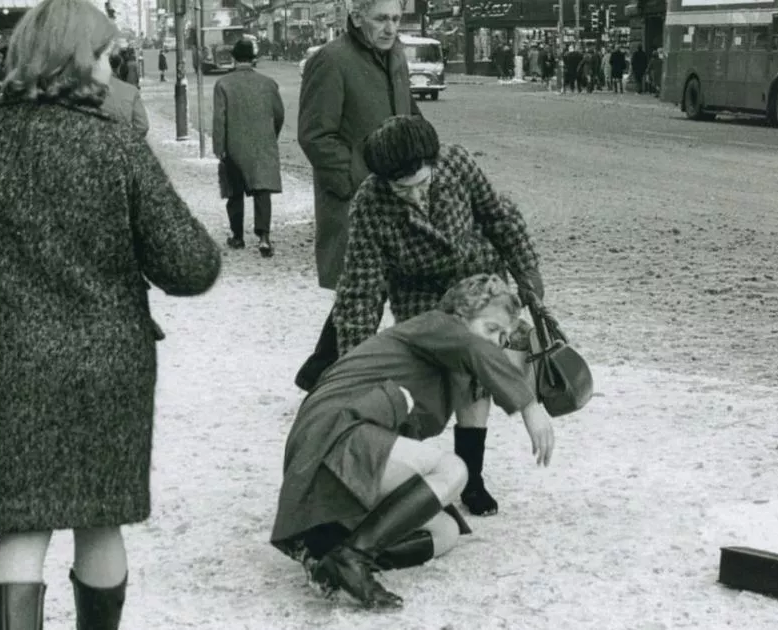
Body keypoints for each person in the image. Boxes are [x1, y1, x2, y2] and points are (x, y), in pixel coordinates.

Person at [0, 0, 222, 627]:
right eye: (102, 54)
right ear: (75, 60)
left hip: (7, 370)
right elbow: (191, 265)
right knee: (99, 522)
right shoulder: (115, 147)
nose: (109, 66)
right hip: (108, 369)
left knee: (20, 532)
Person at [271, 273, 556, 610]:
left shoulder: (443, 357)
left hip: (346, 445)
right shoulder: (438, 324)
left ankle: (329, 552)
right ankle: (353, 557)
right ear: (461, 316)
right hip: (333, 434)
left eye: (504, 336)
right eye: (491, 329)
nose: (496, 342)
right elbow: (473, 347)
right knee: (453, 470)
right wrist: (529, 405)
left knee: (445, 532)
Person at [332, 115, 545, 517]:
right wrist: (357, 358)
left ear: (433, 164)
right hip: (421, 297)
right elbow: (361, 287)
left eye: (422, 184)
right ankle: (413, 472)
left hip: (476, 280)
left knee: (475, 377)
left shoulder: (458, 163)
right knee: (425, 387)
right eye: (401, 189)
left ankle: (472, 477)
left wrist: (526, 272)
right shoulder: (369, 204)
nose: (413, 196)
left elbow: (498, 216)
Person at [294, 0, 421, 392]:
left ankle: (322, 370)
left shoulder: (396, 56)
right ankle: (331, 377)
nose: (390, 28)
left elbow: (409, 114)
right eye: (381, 19)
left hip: (397, 195)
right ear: (356, 18)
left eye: (396, 19)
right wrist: (354, 182)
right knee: (363, 287)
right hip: (356, 200)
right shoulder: (331, 60)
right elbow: (315, 135)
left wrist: (425, 153)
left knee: (374, 287)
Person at [213, 37, 283, 254]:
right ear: (253, 59)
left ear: (234, 58)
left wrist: (220, 148)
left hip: (234, 146)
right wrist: (271, 136)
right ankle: (264, 238)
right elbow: (279, 114)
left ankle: (237, 236)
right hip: (263, 144)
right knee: (262, 191)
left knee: (234, 193)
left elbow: (219, 120)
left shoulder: (223, 84)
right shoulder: (269, 83)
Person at [102, 51, 149, 136]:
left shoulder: (84, 89)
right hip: (121, 141)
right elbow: (143, 126)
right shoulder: (131, 91)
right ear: (119, 68)